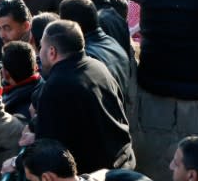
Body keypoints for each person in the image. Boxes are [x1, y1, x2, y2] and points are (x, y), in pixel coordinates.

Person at [33, 19, 134, 173]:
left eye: (41, 46)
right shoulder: (97, 67)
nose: (39, 53)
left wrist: (18, 162)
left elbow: (47, 149)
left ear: (52, 52)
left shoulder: (56, 86)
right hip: (121, 164)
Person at [1, 41, 43, 119]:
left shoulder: (12, 112)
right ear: (35, 66)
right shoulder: (43, 86)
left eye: (2, 65)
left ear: (6, 74)